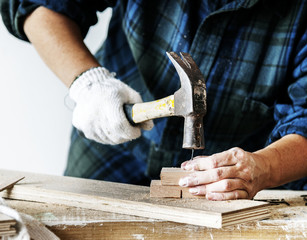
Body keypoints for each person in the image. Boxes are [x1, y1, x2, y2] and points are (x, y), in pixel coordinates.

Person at [1, 0, 306, 201]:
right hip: (113, 134)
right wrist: (87, 82)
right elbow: (40, 6)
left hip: (236, 176)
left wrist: (263, 166)